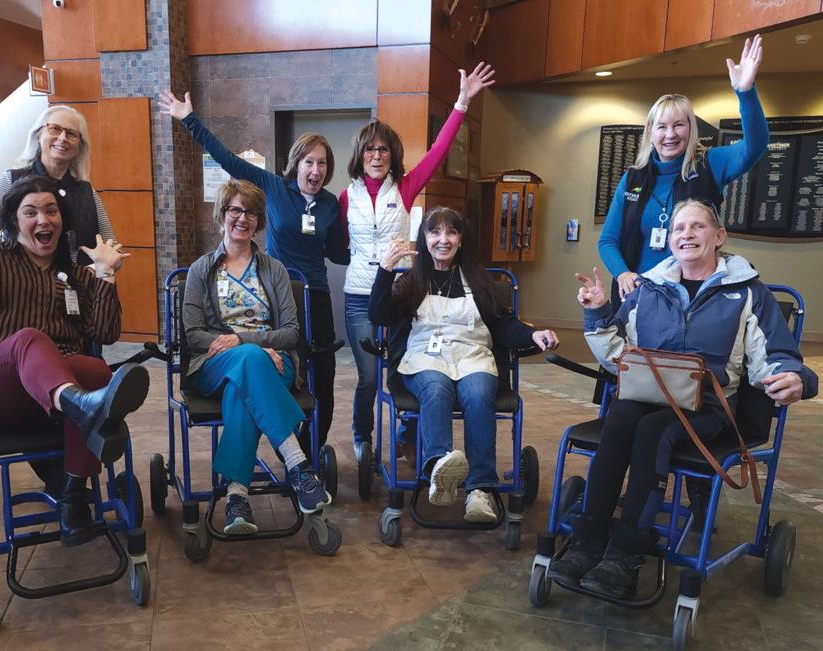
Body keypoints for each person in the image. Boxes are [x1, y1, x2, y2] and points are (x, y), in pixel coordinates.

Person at [550, 199, 818, 598]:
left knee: (654, 430)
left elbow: (775, 355)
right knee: (621, 417)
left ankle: (626, 553)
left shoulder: (749, 293)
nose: (687, 234)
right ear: (669, 240)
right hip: (648, 394)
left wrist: (795, 378)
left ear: (719, 237)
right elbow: (619, 355)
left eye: (697, 227)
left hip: (710, 407)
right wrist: (599, 312)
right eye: (679, 228)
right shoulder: (648, 288)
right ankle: (589, 540)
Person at [0, 175, 150, 547]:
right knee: (30, 339)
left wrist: (105, 275)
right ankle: (81, 406)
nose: (43, 220)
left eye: (51, 211)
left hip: (45, 400)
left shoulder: (75, 275)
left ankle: (73, 494)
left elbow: (106, 333)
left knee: (96, 370)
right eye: (30, 212)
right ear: (15, 221)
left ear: (61, 221)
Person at [159, 90, 348, 457]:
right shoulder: (275, 189)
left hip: (317, 298)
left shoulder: (329, 204)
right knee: (281, 367)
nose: (316, 170)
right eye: (310, 161)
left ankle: (312, 450)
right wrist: (189, 119)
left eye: (323, 164)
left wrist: (380, 257)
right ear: (297, 163)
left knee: (323, 380)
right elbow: (226, 159)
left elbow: (340, 252)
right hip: (278, 293)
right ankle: (287, 445)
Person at [342, 63, 495, 464]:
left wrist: (462, 103)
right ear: (360, 155)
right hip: (360, 294)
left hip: (400, 292)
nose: (377, 155)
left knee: (406, 364)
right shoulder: (346, 196)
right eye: (370, 149)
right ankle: (363, 437)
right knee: (368, 377)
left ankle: (409, 432)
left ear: (392, 155)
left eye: (383, 149)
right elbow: (339, 244)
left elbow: (439, 151)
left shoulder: (406, 188)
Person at [369, 207, 559, 522]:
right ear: (425, 238)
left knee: (481, 391)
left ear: (461, 239)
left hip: (473, 357)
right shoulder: (411, 281)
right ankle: (438, 469)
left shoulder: (480, 281)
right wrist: (386, 269)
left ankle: (480, 490)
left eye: (451, 232)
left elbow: (503, 326)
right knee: (435, 388)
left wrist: (533, 333)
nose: (443, 240)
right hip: (425, 359)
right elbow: (379, 315)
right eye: (435, 232)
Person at [182, 179, 332, 534]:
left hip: (273, 363)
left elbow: (292, 333)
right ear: (223, 214)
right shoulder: (201, 270)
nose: (243, 218)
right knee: (248, 360)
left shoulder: (274, 269)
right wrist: (245, 346)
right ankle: (298, 465)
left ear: (259, 220)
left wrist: (243, 340)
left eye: (251, 212)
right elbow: (192, 335)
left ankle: (237, 497)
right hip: (213, 367)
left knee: (243, 384)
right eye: (235, 210)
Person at [598, 35, 768, 301]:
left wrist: (745, 92)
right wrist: (622, 274)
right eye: (662, 127)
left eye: (679, 125)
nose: (670, 134)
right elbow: (608, 240)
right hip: (640, 294)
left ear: (691, 129)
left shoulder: (710, 164)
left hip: (693, 294)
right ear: (650, 133)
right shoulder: (633, 178)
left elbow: (755, 146)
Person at [0, 105, 117, 267]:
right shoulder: (12, 181)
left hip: (80, 295)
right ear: (39, 134)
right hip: (23, 293)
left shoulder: (86, 192)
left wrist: (102, 265)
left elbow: (112, 252)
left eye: (71, 134)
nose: (62, 138)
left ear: (80, 146)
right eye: (55, 129)